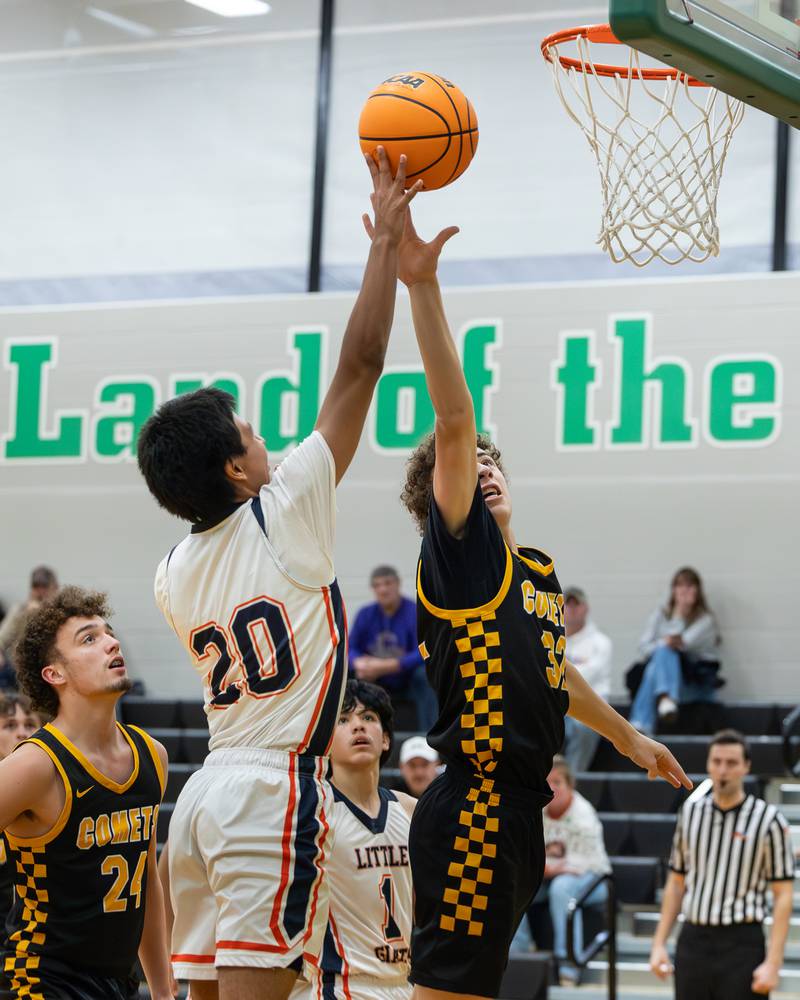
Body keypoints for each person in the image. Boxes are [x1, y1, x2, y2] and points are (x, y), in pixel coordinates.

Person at [368, 207, 691, 1000]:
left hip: (518, 807)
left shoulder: (535, 576)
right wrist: (422, 284)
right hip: (475, 802)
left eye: (491, 463)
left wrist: (628, 737)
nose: (483, 471)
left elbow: (556, 673)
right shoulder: (458, 560)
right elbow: (452, 418)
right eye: (466, 468)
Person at [136, 148, 422, 1000]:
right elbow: (361, 368)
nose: (269, 442)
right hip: (273, 792)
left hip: (203, 798)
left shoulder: (171, 571)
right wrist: (385, 247)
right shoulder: (284, 506)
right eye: (253, 434)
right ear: (235, 470)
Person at [0, 585, 171, 999]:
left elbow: (145, 877)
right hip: (40, 981)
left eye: (108, 632)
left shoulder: (152, 755)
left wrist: (165, 991)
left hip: (118, 983)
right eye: (89, 639)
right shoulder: (35, 765)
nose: (111, 642)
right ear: (54, 673)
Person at [650, 729, 794, 999]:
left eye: (731, 763)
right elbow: (676, 883)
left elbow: (783, 894)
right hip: (693, 939)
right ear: (708, 764)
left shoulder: (769, 820)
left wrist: (773, 963)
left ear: (746, 767)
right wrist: (659, 943)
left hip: (742, 943)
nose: (723, 770)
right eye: (716, 762)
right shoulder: (690, 813)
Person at [293, 680, 415, 1000]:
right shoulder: (313, 812)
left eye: (369, 718)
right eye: (343, 720)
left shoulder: (410, 810)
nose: (358, 725)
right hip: (340, 985)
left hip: (404, 983)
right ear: (327, 742)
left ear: (386, 739)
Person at [534, 756, 611, 985]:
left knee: (562, 888)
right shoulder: (537, 812)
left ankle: (570, 966)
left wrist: (548, 867)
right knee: (513, 883)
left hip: (595, 879)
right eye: (547, 782)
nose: (552, 788)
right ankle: (517, 954)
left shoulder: (583, 815)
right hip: (551, 874)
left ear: (570, 786)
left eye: (558, 782)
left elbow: (579, 865)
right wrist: (548, 867)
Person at [629, 567, 722, 734]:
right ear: (673, 590)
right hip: (664, 681)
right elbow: (643, 649)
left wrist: (679, 614)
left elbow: (681, 643)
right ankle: (665, 700)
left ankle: (641, 721)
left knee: (664, 652)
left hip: (692, 684)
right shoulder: (660, 614)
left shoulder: (705, 620)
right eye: (680, 585)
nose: (684, 591)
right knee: (656, 663)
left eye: (689, 586)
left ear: (698, 591)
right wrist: (662, 643)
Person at [349, 566, 437, 730]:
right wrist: (359, 663)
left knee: (425, 674)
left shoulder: (414, 612)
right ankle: (353, 730)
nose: (383, 589)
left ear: (397, 584)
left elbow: (424, 650)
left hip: (406, 679)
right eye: (377, 585)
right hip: (374, 679)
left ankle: (428, 737)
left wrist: (392, 665)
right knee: (348, 673)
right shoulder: (365, 614)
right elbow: (350, 648)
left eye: (387, 583)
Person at [0, 693, 45, 914]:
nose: (22, 733)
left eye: (29, 724)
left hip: (37, 938)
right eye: (9, 725)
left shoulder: (54, 792)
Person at [561, 587, 612, 773]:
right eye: (568, 603)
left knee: (585, 727)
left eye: (577, 603)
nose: (572, 608)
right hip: (559, 705)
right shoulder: (550, 639)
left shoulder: (601, 642)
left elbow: (581, 679)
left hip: (591, 707)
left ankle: (573, 780)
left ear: (586, 608)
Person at [0, 566, 59, 689]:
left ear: (55, 588)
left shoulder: (62, 612)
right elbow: (3, 637)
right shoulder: (20, 611)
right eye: (36, 587)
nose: (40, 592)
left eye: (44, 587)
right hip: (24, 674)